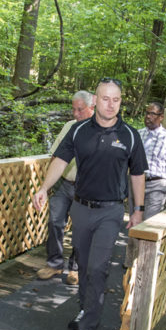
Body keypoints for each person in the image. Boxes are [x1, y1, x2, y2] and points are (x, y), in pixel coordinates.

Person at [33, 78, 148, 330]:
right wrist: (44, 188)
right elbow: (59, 161)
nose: (111, 104)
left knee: (98, 268)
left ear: (121, 102)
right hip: (81, 208)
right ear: (95, 100)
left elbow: (137, 174)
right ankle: (85, 308)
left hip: (110, 211)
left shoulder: (130, 135)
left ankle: (86, 329)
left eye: (116, 99)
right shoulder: (78, 131)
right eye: (105, 99)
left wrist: (138, 210)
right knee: (83, 266)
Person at [37, 91, 95, 285]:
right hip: (63, 184)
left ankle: (75, 269)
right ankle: (54, 264)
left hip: (84, 188)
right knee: (55, 222)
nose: (75, 114)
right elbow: (56, 155)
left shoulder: (99, 130)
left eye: (80, 110)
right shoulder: (69, 127)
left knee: (81, 228)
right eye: (73, 109)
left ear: (91, 108)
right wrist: (46, 186)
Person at [124, 102, 166, 268]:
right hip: (136, 183)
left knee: (149, 223)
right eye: (147, 113)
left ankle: (144, 264)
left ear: (161, 117)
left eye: (152, 114)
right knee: (135, 221)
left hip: (157, 184)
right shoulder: (137, 135)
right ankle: (130, 263)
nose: (148, 117)